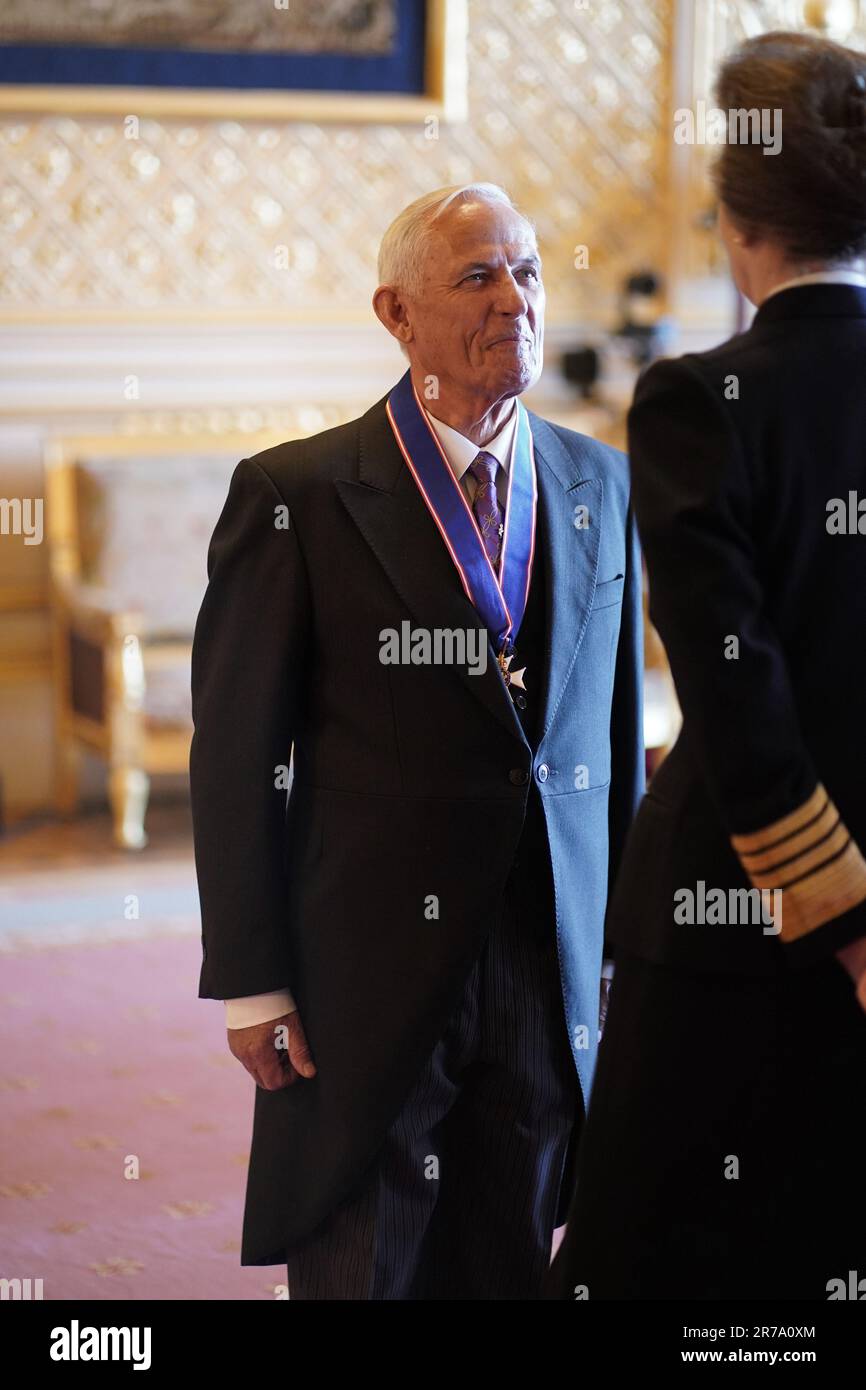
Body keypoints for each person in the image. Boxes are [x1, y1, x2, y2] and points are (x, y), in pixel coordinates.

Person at [189, 183, 644, 1299]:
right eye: (477, 277)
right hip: (368, 970)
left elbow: (615, 732)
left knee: (506, 1254)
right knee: (366, 1260)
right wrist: (251, 979)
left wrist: (627, 939)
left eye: (528, 271)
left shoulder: (600, 481)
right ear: (395, 314)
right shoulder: (296, 495)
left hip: (547, 955)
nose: (514, 301)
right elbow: (236, 752)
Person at [550, 30, 866, 1302]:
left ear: (735, 225)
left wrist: (844, 923)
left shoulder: (695, 398)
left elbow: (731, 687)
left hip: (736, 914)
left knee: (667, 1261)